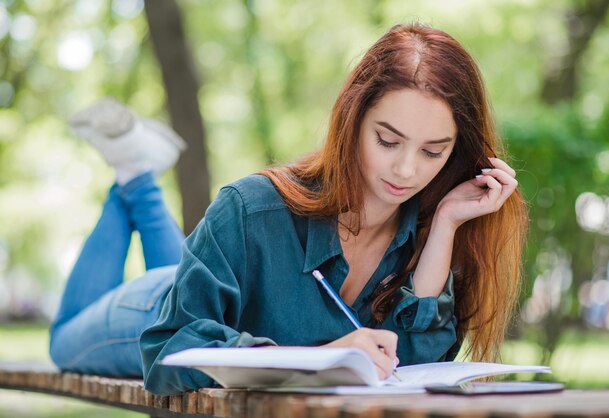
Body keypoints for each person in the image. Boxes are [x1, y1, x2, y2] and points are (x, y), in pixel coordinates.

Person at [49, 22, 527, 396]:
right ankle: (134, 176)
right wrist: (308, 358)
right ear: (352, 120)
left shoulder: (429, 228)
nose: (405, 170)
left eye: (432, 151)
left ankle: (136, 169)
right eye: (388, 140)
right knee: (62, 344)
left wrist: (444, 225)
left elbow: (418, 368)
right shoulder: (251, 209)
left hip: (205, 281)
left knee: (181, 271)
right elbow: (167, 345)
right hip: (156, 310)